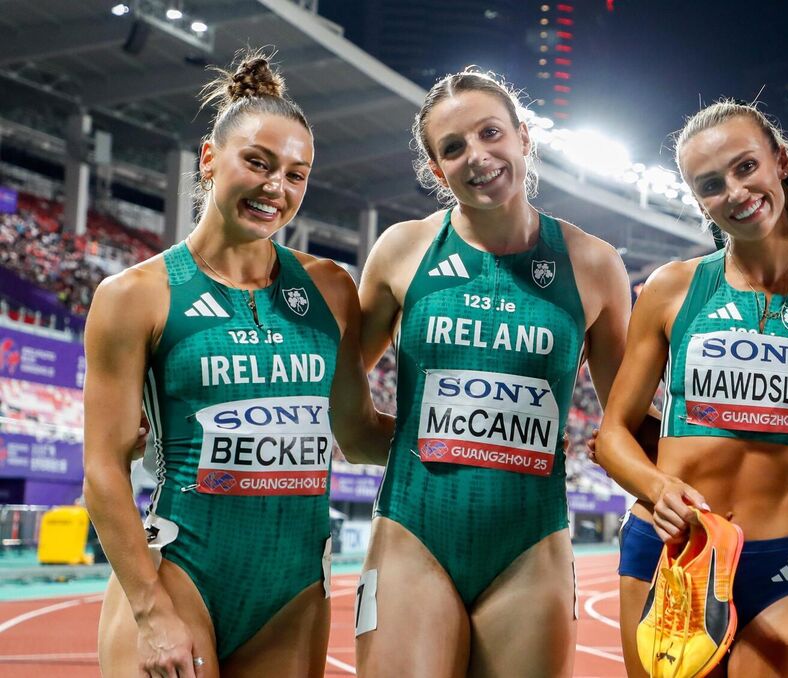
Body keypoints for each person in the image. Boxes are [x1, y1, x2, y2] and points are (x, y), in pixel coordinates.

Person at [329, 69, 632, 677]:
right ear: (438, 170)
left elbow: (629, 417)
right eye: (453, 148)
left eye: (491, 133)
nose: (478, 156)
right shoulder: (402, 249)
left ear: (524, 138)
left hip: (532, 545)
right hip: (412, 532)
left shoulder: (594, 264)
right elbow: (332, 378)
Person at [85, 50, 357, 676]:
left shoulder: (331, 291)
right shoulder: (135, 295)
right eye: (257, 163)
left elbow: (358, 430)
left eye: (296, 174)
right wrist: (153, 614)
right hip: (181, 575)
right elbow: (103, 470)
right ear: (210, 159)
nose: (275, 188)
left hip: (293, 591)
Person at [596, 100, 788, 677]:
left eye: (746, 168)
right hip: (673, 550)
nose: (736, 192)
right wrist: (656, 486)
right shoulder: (672, 288)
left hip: (784, 557)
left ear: (781, 163)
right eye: (712, 184)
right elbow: (612, 434)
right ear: (699, 201)